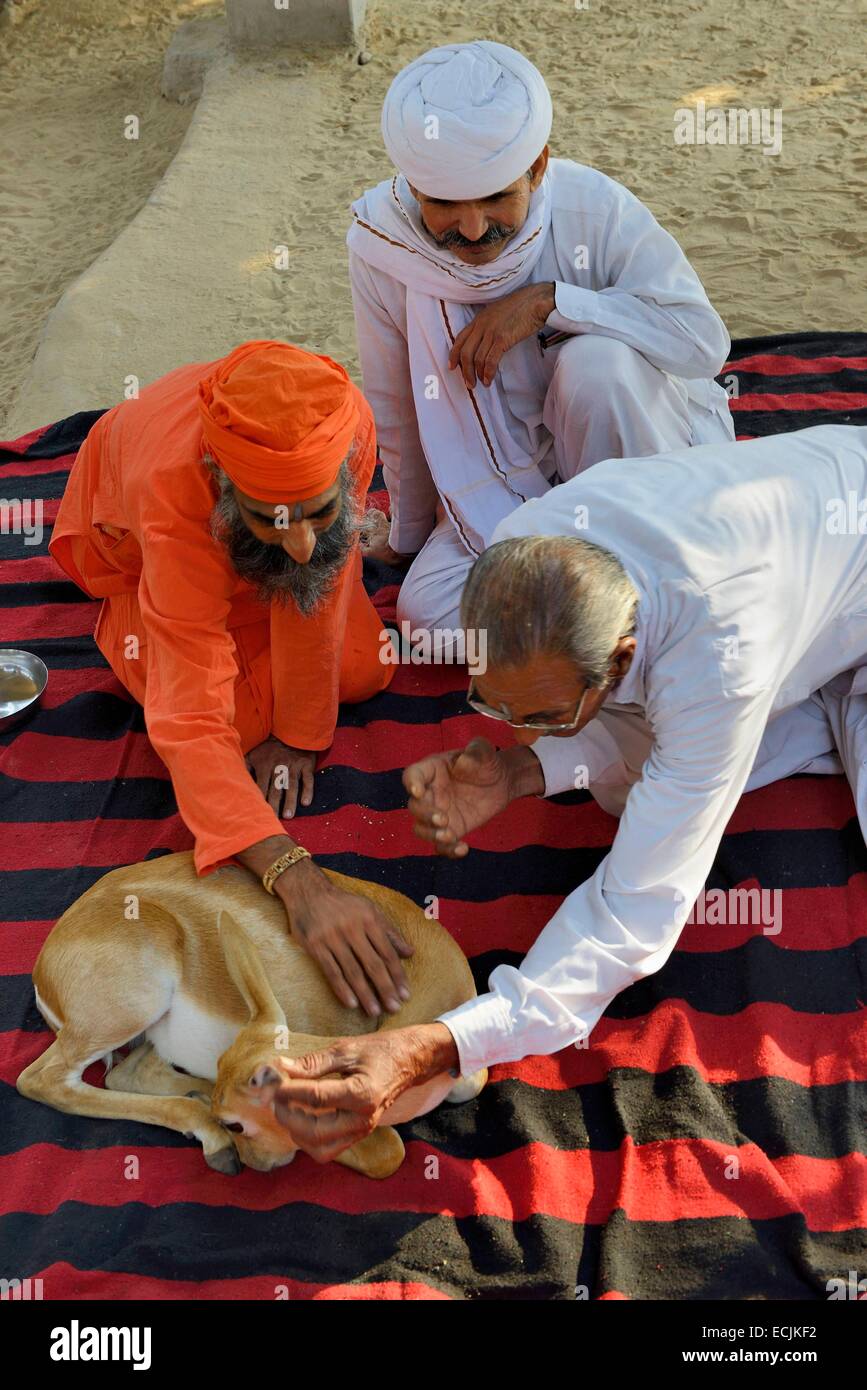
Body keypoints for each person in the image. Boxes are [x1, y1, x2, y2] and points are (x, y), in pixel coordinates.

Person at [259, 423, 867, 1163]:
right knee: (631, 790)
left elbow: (631, 918)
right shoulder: (527, 542)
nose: (513, 732)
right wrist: (524, 771)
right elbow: (630, 729)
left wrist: (440, 1044)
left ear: (622, 656)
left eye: (540, 717)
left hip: (829, 577)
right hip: (802, 569)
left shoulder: (719, 658)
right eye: (494, 705)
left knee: (660, 786)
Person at [49, 339, 413, 1018]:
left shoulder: (347, 423)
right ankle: (125, 618)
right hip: (147, 549)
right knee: (232, 726)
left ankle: (264, 581)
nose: (302, 542)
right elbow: (190, 720)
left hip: (224, 532)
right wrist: (294, 878)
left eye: (321, 512)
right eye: (273, 519)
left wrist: (303, 734)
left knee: (363, 673)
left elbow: (319, 576)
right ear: (221, 480)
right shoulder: (172, 489)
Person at [349, 39, 734, 635]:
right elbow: (400, 402)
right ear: (413, 187)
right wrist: (406, 537)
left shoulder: (593, 207)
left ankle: (637, 567)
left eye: (498, 196)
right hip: (504, 479)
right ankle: (618, 607)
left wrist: (553, 302)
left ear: (537, 167)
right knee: (428, 617)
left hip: (638, 454)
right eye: (445, 204)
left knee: (597, 365)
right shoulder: (384, 245)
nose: (473, 230)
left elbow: (700, 343)